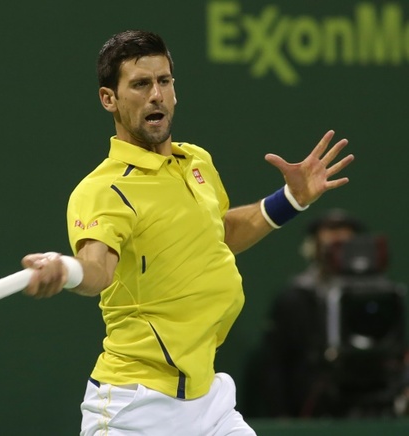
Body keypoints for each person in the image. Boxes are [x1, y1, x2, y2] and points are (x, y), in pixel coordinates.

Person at [21, 30, 354, 435]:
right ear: (109, 99)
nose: (156, 95)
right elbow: (97, 268)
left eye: (164, 81)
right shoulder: (103, 190)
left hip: (208, 397)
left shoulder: (195, 161)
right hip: (136, 407)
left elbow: (220, 233)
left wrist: (291, 199)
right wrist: (66, 270)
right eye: (140, 84)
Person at [253, 210, 406, 418]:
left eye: (344, 234)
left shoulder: (386, 298)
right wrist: (282, 417)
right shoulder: (295, 298)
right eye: (330, 233)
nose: (338, 239)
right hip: (315, 407)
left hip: (378, 398)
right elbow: (275, 365)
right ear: (313, 246)